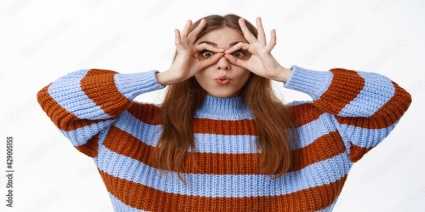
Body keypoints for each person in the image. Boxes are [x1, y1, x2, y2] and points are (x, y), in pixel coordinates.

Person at [37, 14, 412, 212]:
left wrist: (285, 73)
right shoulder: (134, 126)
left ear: (256, 59)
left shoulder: (312, 126)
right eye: (205, 52)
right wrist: (163, 77)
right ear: (186, 58)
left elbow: (390, 100)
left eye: (240, 52)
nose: (223, 64)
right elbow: (58, 98)